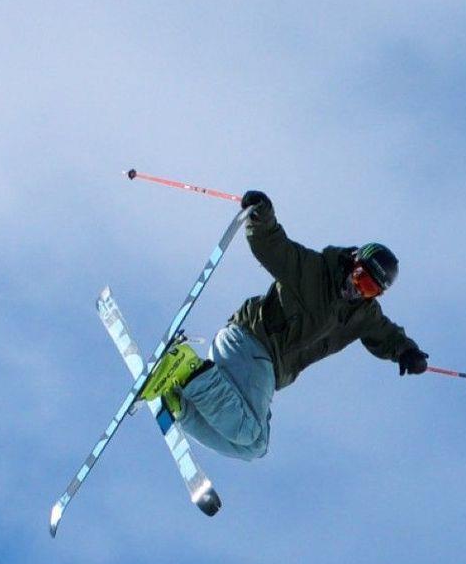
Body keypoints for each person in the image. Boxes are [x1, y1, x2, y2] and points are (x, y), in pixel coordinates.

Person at [136, 190, 428, 463]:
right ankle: (188, 371)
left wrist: (407, 352)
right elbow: (273, 246)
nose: (358, 290)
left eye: (370, 290)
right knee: (249, 432)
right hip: (251, 344)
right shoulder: (314, 271)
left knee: (254, 447)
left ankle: (179, 402)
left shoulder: (363, 314)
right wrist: (261, 218)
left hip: (265, 368)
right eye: (361, 278)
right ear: (354, 262)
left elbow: (387, 334)